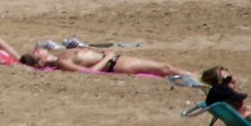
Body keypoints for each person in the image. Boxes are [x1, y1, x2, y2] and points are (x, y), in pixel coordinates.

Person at [20, 45, 191, 81]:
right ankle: (202, 79)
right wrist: (107, 58)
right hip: (115, 64)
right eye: (36, 52)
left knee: (165, 68)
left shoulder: (61, 56)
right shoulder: (62, 63)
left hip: (116, 60)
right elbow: (89, 73)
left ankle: (201, 78)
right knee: (165, 68)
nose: (38, 48)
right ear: (40, 62)